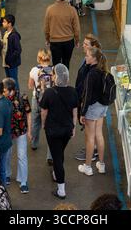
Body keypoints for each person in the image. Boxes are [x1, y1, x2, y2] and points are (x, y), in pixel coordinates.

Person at [40, 64, 78, 199]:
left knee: (57, 158)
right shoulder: (73, 91)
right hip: (67, 129)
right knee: (59, 151)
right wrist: (73, 127)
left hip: (53, 130)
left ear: (56, 77)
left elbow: (44, 111)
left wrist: (43, 124)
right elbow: (75, 111)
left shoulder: (49, 92)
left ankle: (61, 189)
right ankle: (56, 173)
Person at [78, 48, 109, 177]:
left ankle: (88, 166)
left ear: (94, 58)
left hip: (93, 107)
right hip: (103, 106)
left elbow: (87, 96)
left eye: (88, 55)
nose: (85, 57)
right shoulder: (103, 70)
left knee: (90, 137)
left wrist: (82, 113)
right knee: (99, 134)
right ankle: (101, 165)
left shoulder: (92, 74)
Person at [74, 34, 102, 162]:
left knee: (91, 132)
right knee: (96, 131)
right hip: (96, 102)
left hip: (90, 102)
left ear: (94, 48)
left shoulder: (93, 67)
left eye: (86, 44)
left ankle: (90, 155)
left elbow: (87, 86)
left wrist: (82, 109)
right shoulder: (89, 61)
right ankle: (94, 152)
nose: (83, 46)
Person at [3, 77, 31, 193]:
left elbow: (29, 113)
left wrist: (30, 130)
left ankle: (23, 181)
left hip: (21, 131)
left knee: (22, 156)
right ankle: (7, 174)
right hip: (8, 132)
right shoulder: (2, 99)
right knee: (7, 155)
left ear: (12, 90)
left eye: (4, 90)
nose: (3, 92)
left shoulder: (23, 97)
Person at [44, 0, 80, 69]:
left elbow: (46, 27)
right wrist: (77, 40)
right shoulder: (72, 10)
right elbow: (76, 28)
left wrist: (47, 39)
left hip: (55, 42)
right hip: (68, 41)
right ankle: (65, 79)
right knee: (66, 63)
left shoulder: (50, 9)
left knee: (56, 64)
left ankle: (56, 80)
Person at [28, 48, 53, 162]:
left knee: (35, 122)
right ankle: (50, 155)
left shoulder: (34, 70)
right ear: (50, 58)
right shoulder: (54, 70)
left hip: (37, 99)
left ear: (38, 58)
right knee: (50, 127)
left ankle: (34, 143)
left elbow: (30, 85)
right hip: (50, 102)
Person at [2, 14, 22, 90]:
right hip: (6, 63)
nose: (2, 23)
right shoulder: (6, 33)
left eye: (4, 22)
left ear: (9, 24)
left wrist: (10, 60)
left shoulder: (14, 36)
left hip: (11, 64)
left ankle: (17, 97)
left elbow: (18, 50)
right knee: (8, 81)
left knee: (13, 81)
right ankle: (11, 96)